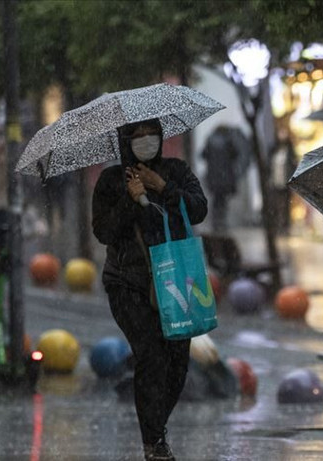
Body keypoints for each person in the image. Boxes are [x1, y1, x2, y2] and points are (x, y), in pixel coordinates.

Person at [92, 119, 207, 461]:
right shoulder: (112, 180)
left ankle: (156, 429)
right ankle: (154, 443)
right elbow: (103, 231)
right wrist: (131, 200)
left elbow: (198, 209)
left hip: (174, 279)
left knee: (177, 363)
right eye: (138, 136)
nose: (146, 141)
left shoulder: (176, 170)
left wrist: (163, 187)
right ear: (125, 140)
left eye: (151, 134)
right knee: (151, 356)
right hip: (127, 282)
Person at [201, 125, 251, 232]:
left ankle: (216, 222)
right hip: (224, 177)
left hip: (213, 177)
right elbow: (235, 155)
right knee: (222, 200)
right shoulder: (228, 142)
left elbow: (203, 155)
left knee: (216, 200)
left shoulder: (210, 141)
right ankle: (221, 222)